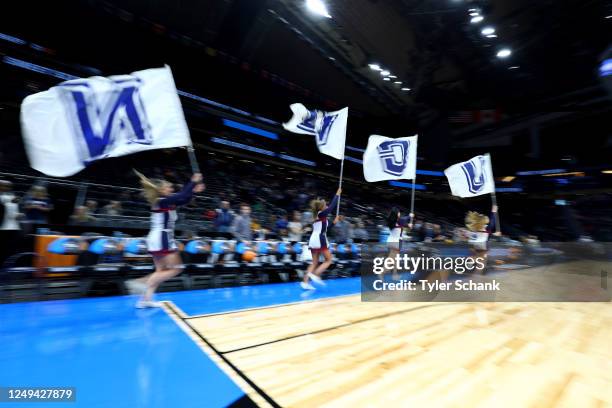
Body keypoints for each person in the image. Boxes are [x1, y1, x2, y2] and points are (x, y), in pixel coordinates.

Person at [126, 171, 204, 308]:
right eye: (169, 187)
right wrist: (193, 181)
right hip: (162, 237)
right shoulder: (161, 201)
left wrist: (194, 190)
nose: (171, 189)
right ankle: (140, 282)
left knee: (161, 271)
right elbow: (182, 195)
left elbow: (184, 199)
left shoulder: (166, 202)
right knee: (177, 268)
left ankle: (145, 300)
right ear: (161, 190)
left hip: (158, 237)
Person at [301, 188, 342, 290]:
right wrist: (337, 194)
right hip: (319, 239)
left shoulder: (319, 216)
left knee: (314, 262)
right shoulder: (321, 213)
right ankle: (316, 274)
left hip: (315, 239)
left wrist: (334, 223)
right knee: (329, 259)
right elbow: (332, 207)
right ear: (322, 207)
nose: (327, 206)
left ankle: (305, 282)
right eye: (325, 205)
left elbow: (326, 229)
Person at [465, 205, 498, 274]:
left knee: (480, 255)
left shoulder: (474, 227)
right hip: (483, 243)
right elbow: (492, 223)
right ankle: (475, 263)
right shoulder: (486, 228)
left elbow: (471, 235)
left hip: (476, 243)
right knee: (482, 256)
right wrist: (494, 212)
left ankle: (474, 263)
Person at [383, 207, 413, 280]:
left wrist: (408, 225)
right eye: (399, 212)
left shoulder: (391, 221)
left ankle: (394, 275)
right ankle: (382, 272)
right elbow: (404, 219)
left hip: (390, 241)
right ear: (397, 213)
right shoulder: (399, 220)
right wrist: (410, 216)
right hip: (395, 242)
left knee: (395, 259)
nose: (400, 213)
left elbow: (403, 224)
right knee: (391, 259)